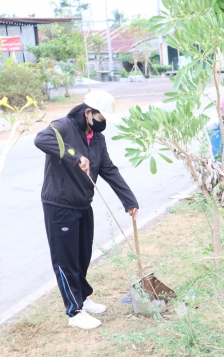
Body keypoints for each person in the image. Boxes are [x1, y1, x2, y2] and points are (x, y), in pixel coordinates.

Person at [35, 90, 139, 330]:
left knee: (82, 255)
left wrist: (129, 200)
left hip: (83, 203)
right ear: (88, 113)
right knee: (66, 260)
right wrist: (75, 155)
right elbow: (41, 140)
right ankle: (75, 311)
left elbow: (109, 169)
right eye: (101, 118)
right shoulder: (63, 127)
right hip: (59, 204)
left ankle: (82, 297)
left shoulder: (98, 139)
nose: (103, 123)